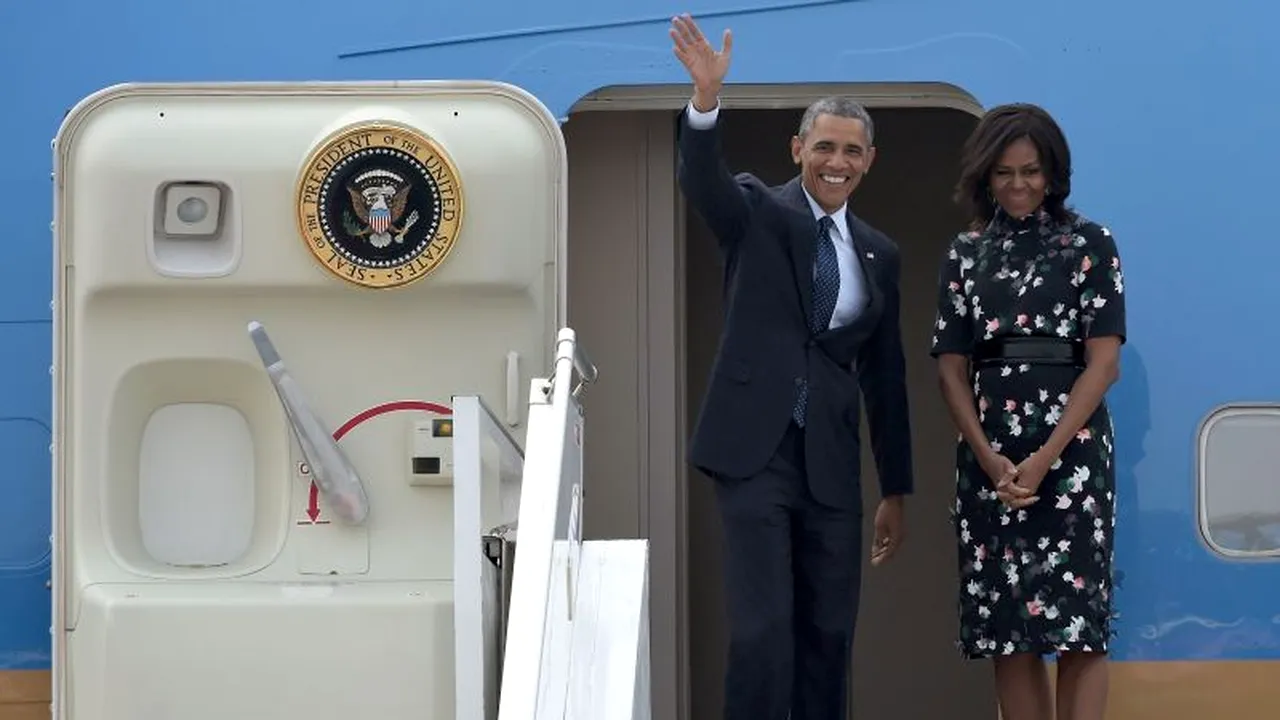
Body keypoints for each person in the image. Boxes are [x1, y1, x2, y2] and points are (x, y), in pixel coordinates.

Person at [669, 13, 914, 720]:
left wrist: (896, 488)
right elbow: (701, 180)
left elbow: (886, 374)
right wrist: (706, 103)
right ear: (798, 147)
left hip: (831, 462)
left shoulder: (879, 252)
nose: (836, 162)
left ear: (869, 161)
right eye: (824, 147)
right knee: (763, 630)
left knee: (828, 635)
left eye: (852, 151)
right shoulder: (756, 210)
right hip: (753, 453)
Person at [929, 102, 1126, 720]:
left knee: (1080, 631)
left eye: (1032, 171)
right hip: (990, 464)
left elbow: (1103, 364)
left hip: (1072, 461)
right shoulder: (964, 254)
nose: (1019, 185)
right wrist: (989, 458)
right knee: (1007, 631)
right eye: (1005, 173)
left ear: (1054, 173)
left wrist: (1043, 459)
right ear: (985, 176)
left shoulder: (1091, 243)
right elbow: (950, 368)